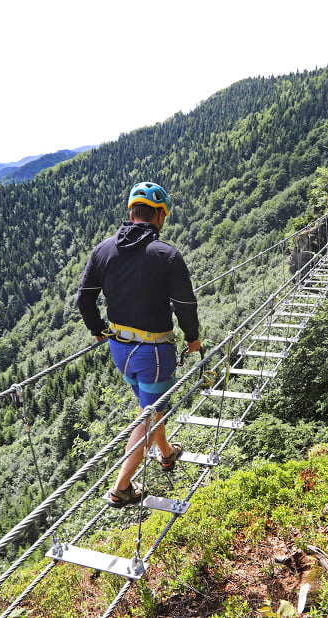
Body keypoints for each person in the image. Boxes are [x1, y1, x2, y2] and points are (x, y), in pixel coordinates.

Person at [76, 181, 201, 508]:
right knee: (149, 416)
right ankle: (121, 488)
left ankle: (167, 453)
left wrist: (98, 330)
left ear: (131, 213)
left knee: (151, 409)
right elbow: (185, 306)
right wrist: (193, 339)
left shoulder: (103, 251)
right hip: (154, 353)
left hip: (120, 350)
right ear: (159, 216)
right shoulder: (167, 256)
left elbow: (84, 300)